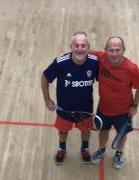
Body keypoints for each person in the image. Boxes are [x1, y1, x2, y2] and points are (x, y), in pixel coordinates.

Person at [41, 31, 98, 165]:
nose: (79, 49)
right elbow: (44, 77)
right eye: (76, 45)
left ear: (88, 47)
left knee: (86, 132)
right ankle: (62, 149)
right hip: (64, 109)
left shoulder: (94, 63)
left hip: (85, 110)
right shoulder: (60, 63)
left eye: (83, 45)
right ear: (71, 46)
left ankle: (85, 148)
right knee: (63, 131)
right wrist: (47, 100)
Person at [91, 36, 139, 169]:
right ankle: (102, 149)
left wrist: (135, 106)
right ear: (105, 51)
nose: (114, 54)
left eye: (117, 50)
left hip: (123, 111)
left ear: (123, 50)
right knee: (103, 131)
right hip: (103, 108)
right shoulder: (101, 58)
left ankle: (119, 152)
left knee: (122, 134)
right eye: (111, 50)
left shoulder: (131, 69)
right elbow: (83, 51)